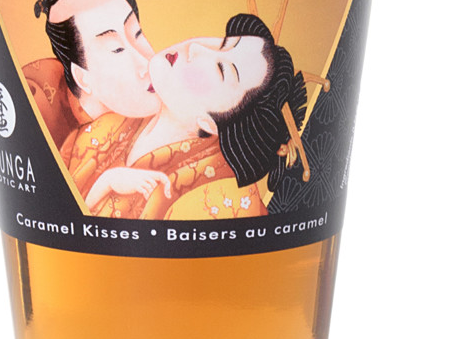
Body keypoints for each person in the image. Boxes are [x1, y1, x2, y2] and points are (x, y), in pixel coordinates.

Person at [63, 13, 304, 222]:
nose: (197, 48)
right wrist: (107, 181)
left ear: (211, 123)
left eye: (221, 69)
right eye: (222, 43)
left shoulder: (219, 196)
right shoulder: (111, 125)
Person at [23, 0, 160, 149]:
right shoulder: (42, 112)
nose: (146, 64)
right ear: (82, 78)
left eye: (137, 34)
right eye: (116, 49)